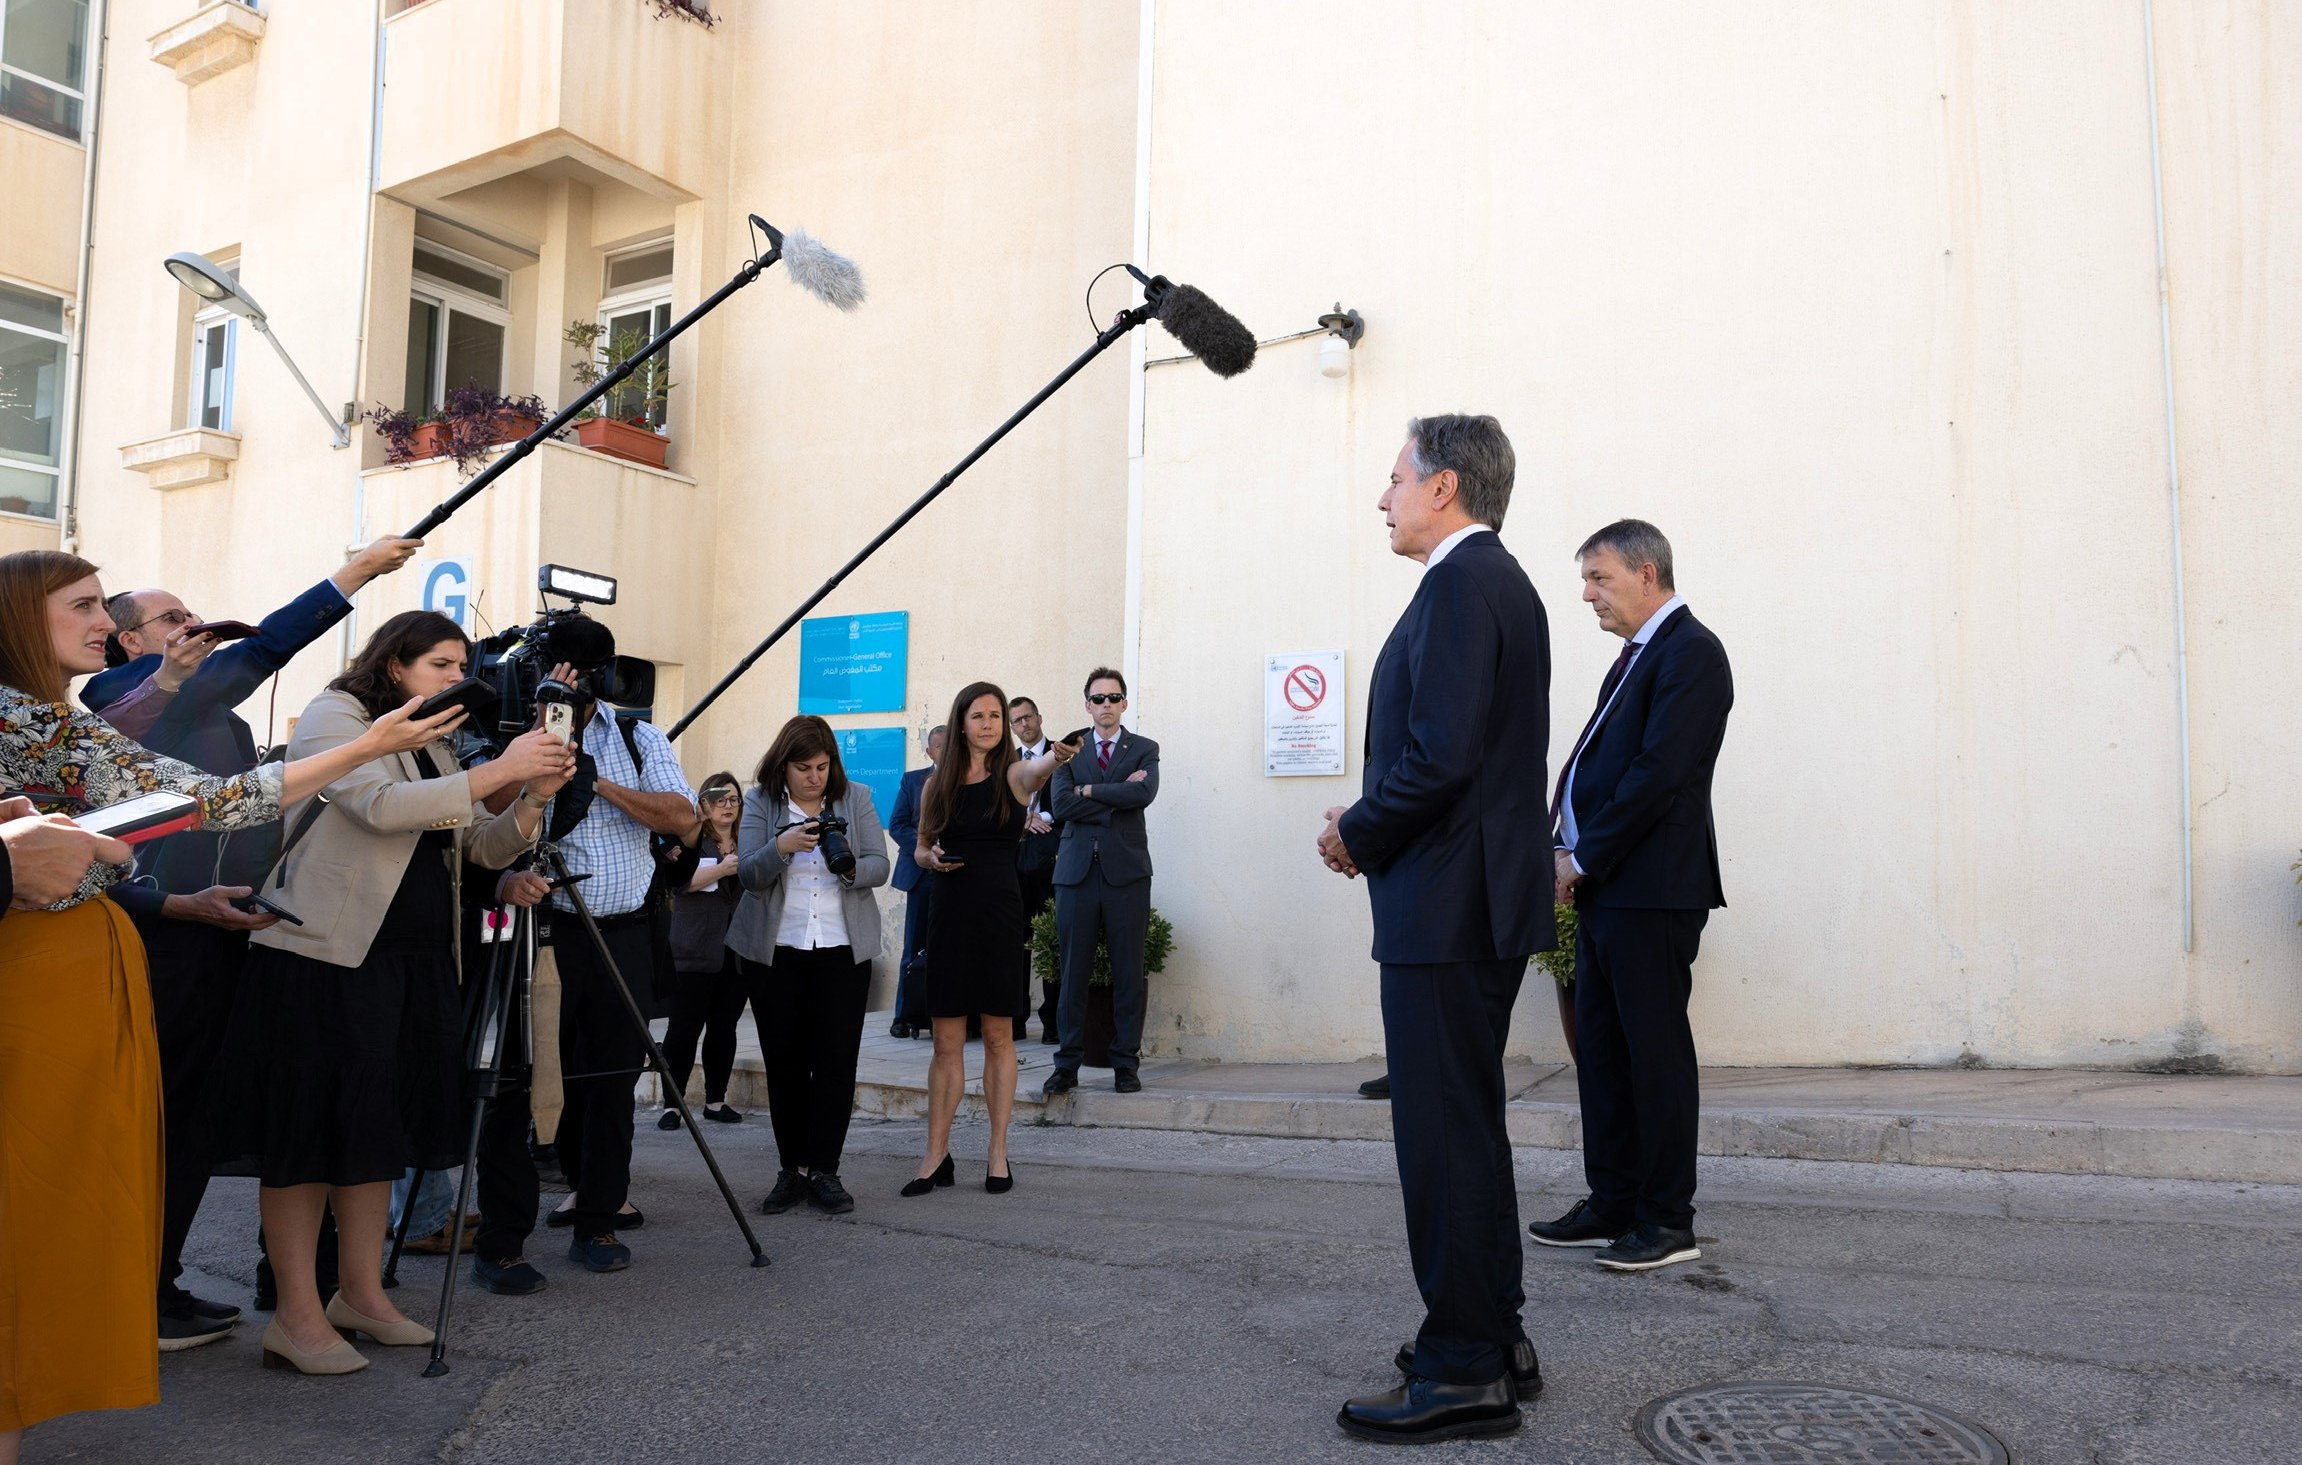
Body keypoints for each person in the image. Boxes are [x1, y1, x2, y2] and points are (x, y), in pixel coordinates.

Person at [0, 550, 460, 1455]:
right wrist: (355, 587)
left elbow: (207, 803)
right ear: (22, 614)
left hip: (84, 964)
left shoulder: (55, 721)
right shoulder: (38, 716)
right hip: (39, 975)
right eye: (86, 605)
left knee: (54, 1208)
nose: (107, 622)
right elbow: (206, 794)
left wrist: (363, 747)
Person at [79, 535, 423, 1351]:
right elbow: (260, 649)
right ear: (130, 641)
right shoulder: (120, 690)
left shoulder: (215, 719)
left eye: (195, 615)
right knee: (156, 1117)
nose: (195, 626)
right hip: (164, 932)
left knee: (197, 1119)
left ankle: (158, 1285)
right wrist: (354, 574)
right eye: (172, 618)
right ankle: (122, 1294)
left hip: (227, 931)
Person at [217, 611, 576, 1376]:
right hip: (321, 956)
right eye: (442, 664)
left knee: (374, 1131)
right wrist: (494, 768)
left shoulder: (432, 737)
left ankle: (362, 1295)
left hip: (410, 962)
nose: (457, 679)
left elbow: (477, 843)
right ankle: (295, 1314)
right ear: (394, 663)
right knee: (306, 1136)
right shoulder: (336, 715)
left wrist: (532, 795)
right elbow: (376, 806)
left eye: (462, 664)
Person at [1316, 416, 1553, 1443]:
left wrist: (1355, 830)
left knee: (1442, 1133)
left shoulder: (1462, 585)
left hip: (1445, 904)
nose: (1383, 498)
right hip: (1471, 899)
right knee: (1468, 1124)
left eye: (1394, 478)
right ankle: (1489, 1334)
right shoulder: (1491, 580)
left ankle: (1462, 1367)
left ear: (1443, 486)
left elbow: (1439, 756)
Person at [1532, 520, 1732, 1275]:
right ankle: (1612, 1199)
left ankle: (1667, 1217)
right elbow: (1596, 765)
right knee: (1605, 1054)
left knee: (1653, 1054)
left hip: (1652, 890)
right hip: (1609, 889)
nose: (1587, 594)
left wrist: (1580, 856)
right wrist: (1560, 844)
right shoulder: (1636, 658)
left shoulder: (1693, 654)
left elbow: (1659, 776)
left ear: (1647, 573)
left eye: (1600, 578)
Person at [520, 656, 697, 1270]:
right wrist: (544, 739)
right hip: (549, 932)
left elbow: (683, 818)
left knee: (614, 1078)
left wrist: (596, 783)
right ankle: (569, 1189)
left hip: (625, 931)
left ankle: (600, 1220)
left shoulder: (635, 734)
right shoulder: (521, 734)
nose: (573, 695)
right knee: (551, 1073)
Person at [905, 683, 1075, 1197]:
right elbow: (919, 848)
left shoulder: (1013, 776)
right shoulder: (938, 784)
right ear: (961, 723)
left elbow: (1036, 771)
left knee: (1000, 1037)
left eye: (996, 716)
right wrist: (930, 858)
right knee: (946, 1042)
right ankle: (936, 1156)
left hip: (1000, 916)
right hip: (950, 915)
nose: (988, 724)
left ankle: (997, 1153)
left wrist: (1055, 757)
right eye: (977, 715)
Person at [727, 717, 891, 1215]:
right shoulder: (760, 801)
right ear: (784, 765)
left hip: (842, 950)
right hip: (777, 952)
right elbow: (750, 875)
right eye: (803, 768)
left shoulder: (856, 797)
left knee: (837, 1064)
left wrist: (849, 869)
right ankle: (790, 1169)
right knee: (786, 1064)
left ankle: (826, 1171)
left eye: (822, 767)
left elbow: (880, 865)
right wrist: (782, 846)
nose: (814, 777)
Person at [1041, 669, 1160, 1096]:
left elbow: (1144, 795)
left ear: (1124, 703)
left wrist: (1088, 792)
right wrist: (1109, 796)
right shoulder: (1067, 751)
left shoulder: (1145, 748)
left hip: (1126, 874)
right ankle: (1067, 1065)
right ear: (1087, 705)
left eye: (1114, 697)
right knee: (1072, 973)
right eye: (1098, 698)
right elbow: (1060, 804)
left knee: (1129, 971)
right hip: (1076, 874)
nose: (1106, 704)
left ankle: (1125, 1064)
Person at [657, 771, 749, 1130]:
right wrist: (722, 869)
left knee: (724, 1028)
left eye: (734, 800)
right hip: (693, 947)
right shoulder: (691, 840)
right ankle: (672, 1105)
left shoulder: (748, 840)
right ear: (705, 805)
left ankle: (715, 1100)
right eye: (720, 800)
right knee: (683, 1030)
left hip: (735, 950)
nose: (728, 806)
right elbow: (677, 884)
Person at [884, 723, 945, 1039]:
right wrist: (923, 848)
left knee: (951, 949)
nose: (945, 751)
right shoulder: (912, 781)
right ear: (929, 750)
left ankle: (945, 1017)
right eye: (939, 745)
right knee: (913, 948)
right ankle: (903, 1016)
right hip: (921, 876)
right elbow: (897, 825)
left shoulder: (971, 780)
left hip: (956, 875)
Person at [1010, 695, 1061, 1041]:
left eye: (1028, 717)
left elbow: (1069, 801)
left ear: (1039, 718)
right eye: (1017, 721)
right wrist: (1022, 819)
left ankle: (1053, 1025)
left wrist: (1039, 816)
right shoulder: (1005, 763)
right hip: (1013, 862)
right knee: (1014, 942)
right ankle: (1014, 1020)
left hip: (1052, 860)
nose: (1024, 725)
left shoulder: (1062, 754)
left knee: (1051, 940)